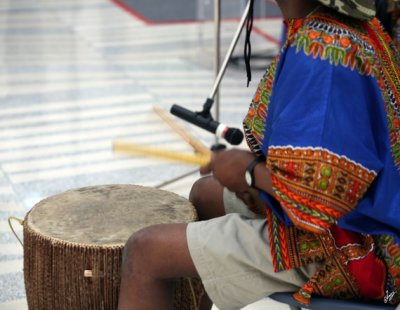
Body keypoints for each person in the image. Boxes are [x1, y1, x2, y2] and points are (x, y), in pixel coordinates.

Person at [118, 0, 400, 309]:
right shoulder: (337, 28)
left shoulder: (323, 47)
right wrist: (253, 180)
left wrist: (249, 171)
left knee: (145, 251)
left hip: (355, 247)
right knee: (204, 193)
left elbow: (316, 202)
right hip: (359, 221)